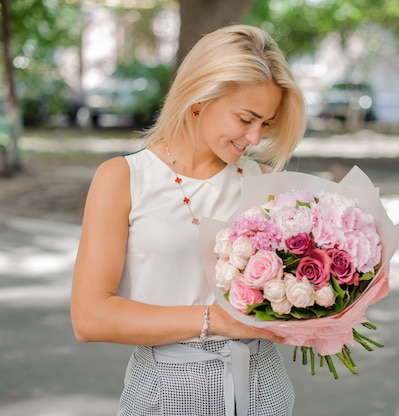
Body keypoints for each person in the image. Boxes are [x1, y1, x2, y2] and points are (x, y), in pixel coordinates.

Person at [70, 24, 306, 416]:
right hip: (166, 394)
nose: (255, 137)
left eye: (265, 123)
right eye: (246, 118)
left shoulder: (263, 183)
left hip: (263, 391)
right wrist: (219, 321)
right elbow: (90, 317)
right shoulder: (122, 178)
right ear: (200, 98)